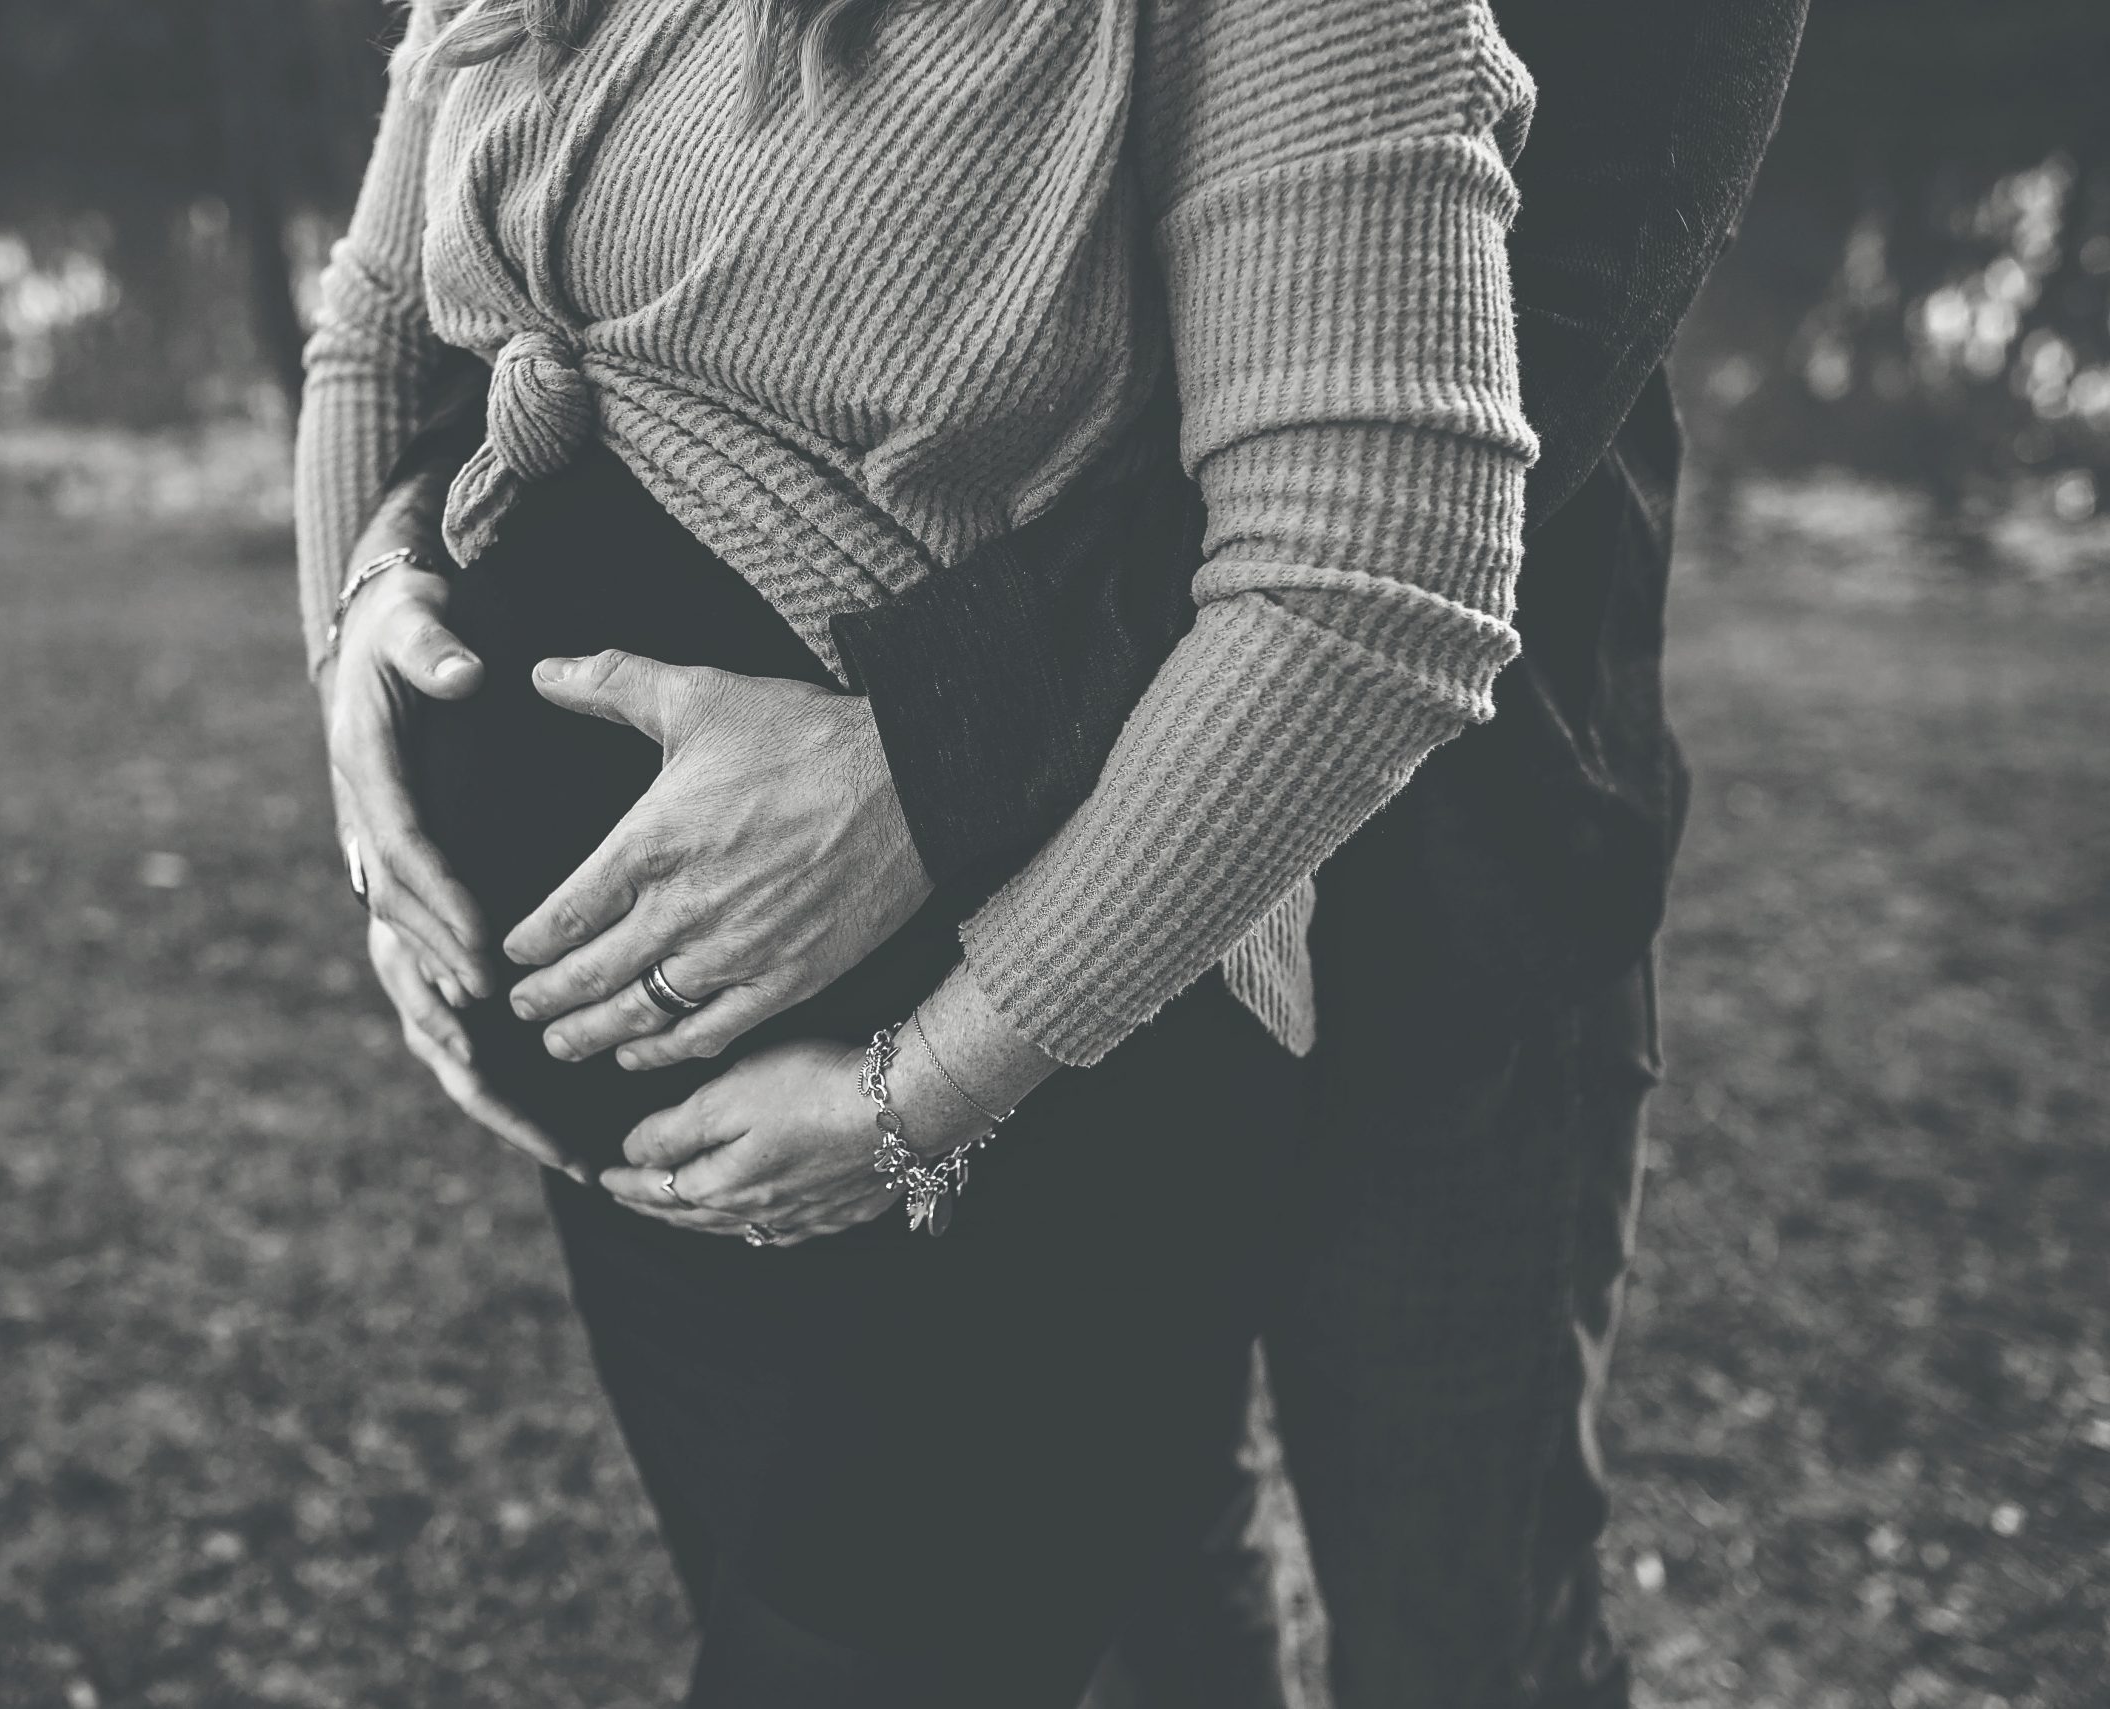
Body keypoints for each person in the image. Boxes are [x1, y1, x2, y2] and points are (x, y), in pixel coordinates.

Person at [300, 0, 1542, 1700]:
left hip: (1018, 1132)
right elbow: (376, 333)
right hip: (654, 1138)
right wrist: (360, 688)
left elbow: (1374, 576)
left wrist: (924, 1085)